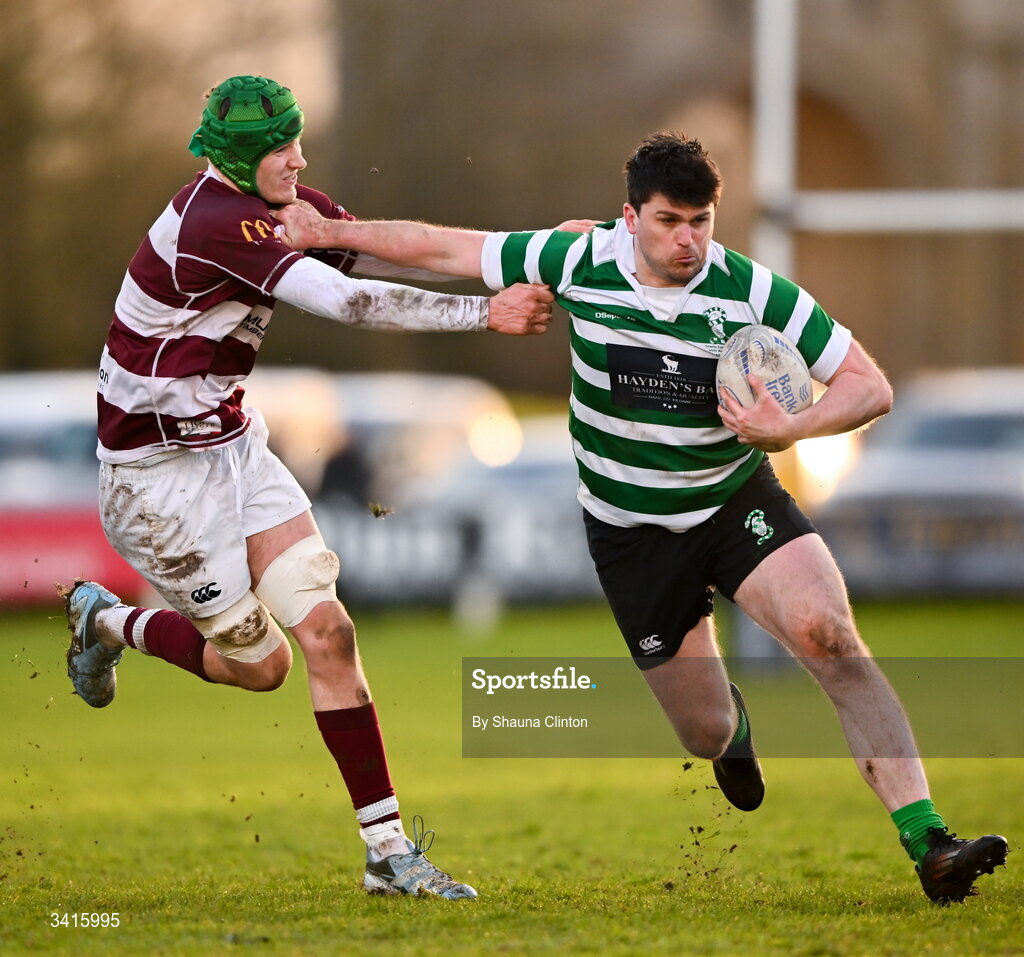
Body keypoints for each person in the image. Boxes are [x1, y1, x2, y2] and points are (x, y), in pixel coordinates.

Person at [272, 131, 1010, 904]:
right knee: (704, 731)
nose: (688, 239)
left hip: (733, 501)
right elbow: (440, 248)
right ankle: (737, 731)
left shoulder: (752, 292)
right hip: (630, 532)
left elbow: (869, 384)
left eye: (701, 221)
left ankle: (930, 842)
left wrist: (790, 427)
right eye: (669, 221)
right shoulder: (577, 262)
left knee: (831, 635)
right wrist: (329, 232)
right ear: (630, 217)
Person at [62, 74, 559, 900]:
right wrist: (484, 314)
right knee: (260, 667)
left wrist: (538, 252)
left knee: (329, 635)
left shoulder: (274, 202)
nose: (299, 159)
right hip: (155, 480)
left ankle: (388, 853)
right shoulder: (215, 223)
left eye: (297, 141)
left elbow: (393, 248)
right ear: (239, 159)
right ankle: (106, 618)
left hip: (231, 447)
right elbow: (351, 299)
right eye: (280, 148)